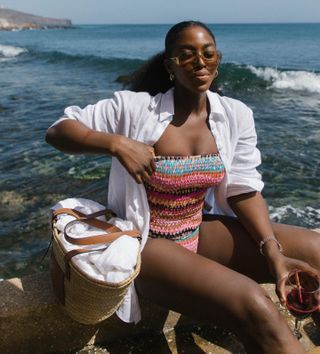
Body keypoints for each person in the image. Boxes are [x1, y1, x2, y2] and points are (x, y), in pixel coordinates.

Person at [46, 21, 320, 353]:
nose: (199, 62)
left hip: (196, 231)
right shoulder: (135, 109)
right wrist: (116, 144)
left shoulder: (235, 115)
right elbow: (60, 130)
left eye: (207, 53)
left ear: (217, 59)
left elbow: (244, 190)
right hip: (148, 243)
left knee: (315, 249)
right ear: (170, 65)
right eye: (186, 54)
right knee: (253, 301)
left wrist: (274, 253)